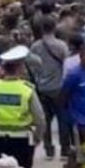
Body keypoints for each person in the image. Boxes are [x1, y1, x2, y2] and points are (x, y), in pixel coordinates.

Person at [0, 45, 45, 168]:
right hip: (22, 141)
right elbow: (40, 118)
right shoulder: (27, 90)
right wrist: (37, 138)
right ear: (19, 68)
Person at [29, 16, 71, 160]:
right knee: (62, 119)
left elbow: (32, 66)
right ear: (55, 28)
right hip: (59, 87)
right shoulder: (62, 46)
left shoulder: (35, 46)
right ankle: (65, 150)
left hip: (42, 87)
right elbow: (67, 65)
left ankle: (49, 149)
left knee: (45, 119)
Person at [61, 44, 85, 144]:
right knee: (82, 145)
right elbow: (64, 93)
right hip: (78, 118)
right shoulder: (74, 74)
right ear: (81, 57)